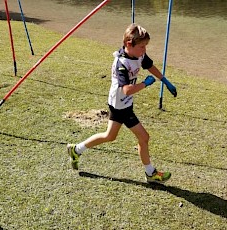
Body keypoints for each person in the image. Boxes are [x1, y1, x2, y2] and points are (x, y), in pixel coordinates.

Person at [67, 23, 177, 183]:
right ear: (128, 44)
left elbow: (149, 66)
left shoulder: (137, 54)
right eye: (141, 47)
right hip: (120, 104)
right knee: (144, 137)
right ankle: (150, 173)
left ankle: (76, 149)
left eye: (146, 46)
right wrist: (145, 84)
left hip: (123, 102)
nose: (144, 51)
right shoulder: (121, 64)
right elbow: (127, 90)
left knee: (110, 136)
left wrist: (164, 80)